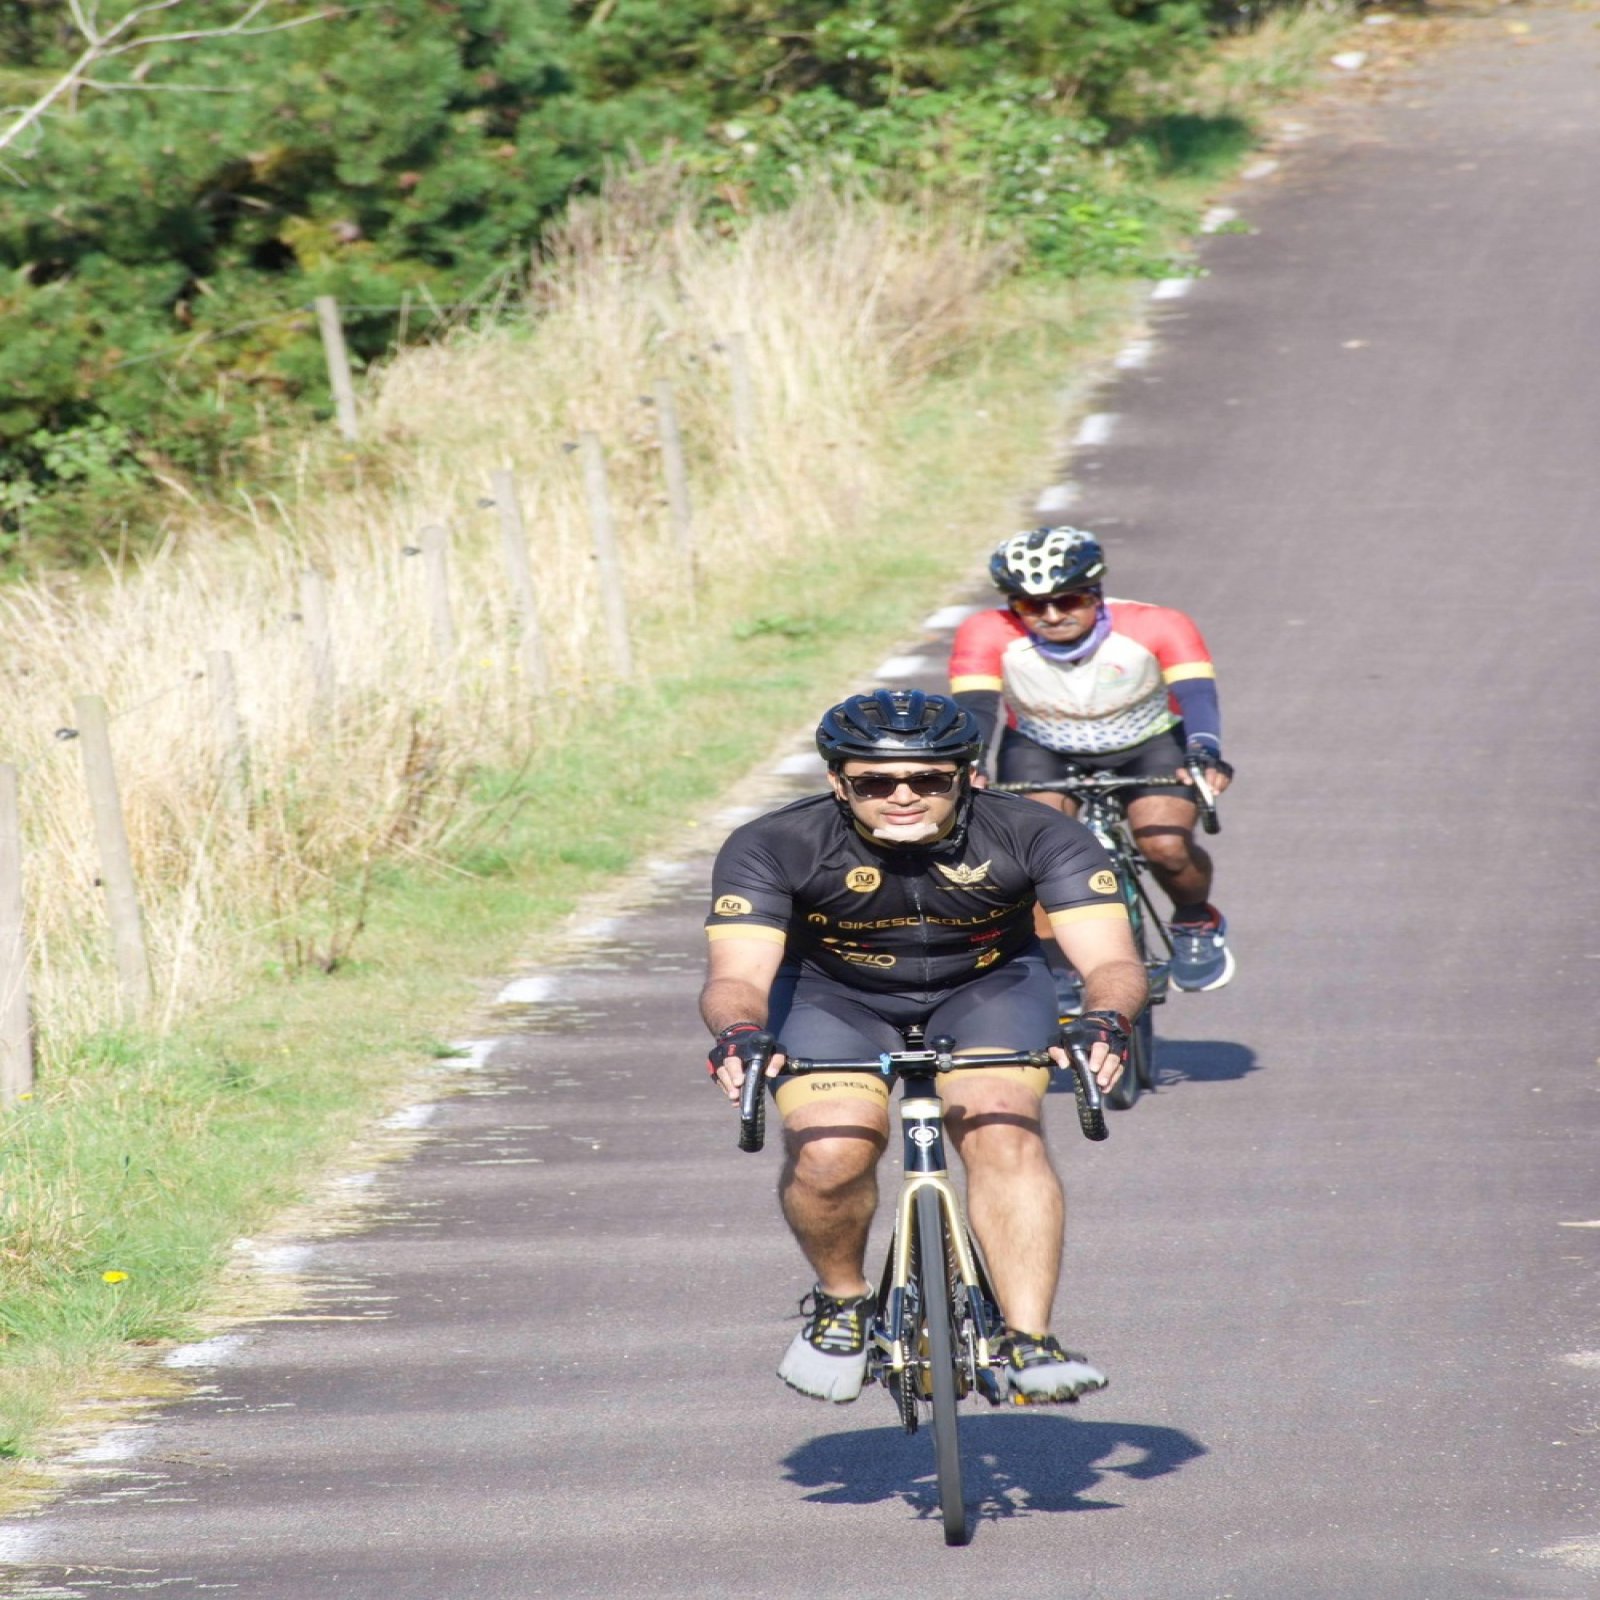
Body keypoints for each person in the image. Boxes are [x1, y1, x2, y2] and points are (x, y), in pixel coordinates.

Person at [700, 689, 1147, 1407]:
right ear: (837, 783)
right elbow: (738, 978)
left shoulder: (1037, 834)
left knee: (1002, 1125)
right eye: (875, 782)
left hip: (990, 988)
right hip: (833, 996)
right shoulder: (772, 844)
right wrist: (740, 1035)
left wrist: (1105, 1020)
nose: (902, 797)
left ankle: (1028, 1340)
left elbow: (1112, 964)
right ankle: (844, 1302)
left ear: (969, 776)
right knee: (831, 1150)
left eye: (929, 780)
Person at [948, 526, 1235, 995]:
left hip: (1147, 743)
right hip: (1043, 747)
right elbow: (976, 710)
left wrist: (1204, 752)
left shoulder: (1157, 624)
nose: (1053, 615)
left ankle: (1195, 920)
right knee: (1033, 860)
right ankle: (1058, 964)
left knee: (1164, 845)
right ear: (1012, 605)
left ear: (1096, 592)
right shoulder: (985, 631)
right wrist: (967, 764)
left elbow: (1197, 695)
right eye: (1031, 605)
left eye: (1071, 600)